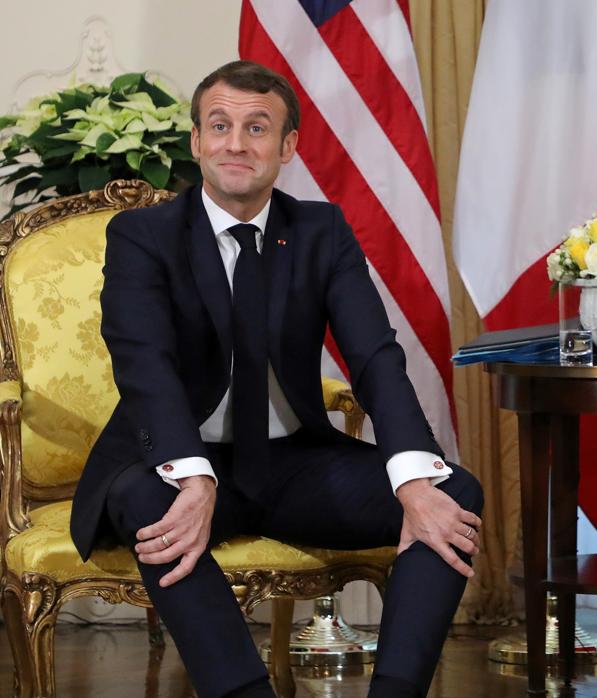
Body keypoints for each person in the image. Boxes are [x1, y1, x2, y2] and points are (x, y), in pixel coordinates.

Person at [67, 60, 482, 698]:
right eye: (221, 125)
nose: (237, 143)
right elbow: (142, 360)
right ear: (197, 141)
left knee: (451, 491)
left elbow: (375, 357)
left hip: (295, 465)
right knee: (152, 499)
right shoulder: (143, 235)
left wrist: (413, 477)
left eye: (257, 127)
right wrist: (193, 473)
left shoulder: (322, 232)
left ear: (287, 147)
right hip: (187, 461)